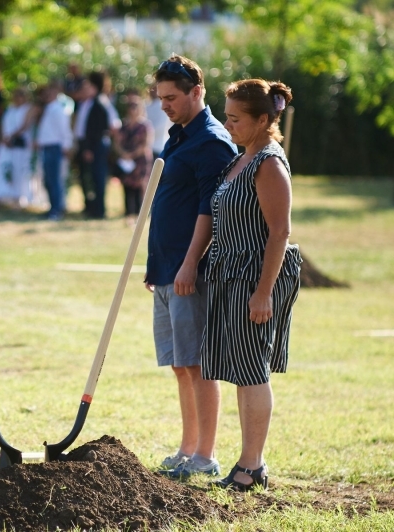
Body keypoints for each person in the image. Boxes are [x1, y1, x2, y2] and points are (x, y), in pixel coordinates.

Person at [204, 79, 300, 491]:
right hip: (230, 273)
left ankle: (252, 466)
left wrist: (263, 293)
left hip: (255, 277)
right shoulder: (241, 158)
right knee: (243, 371)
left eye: (235, 118)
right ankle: (248, 462)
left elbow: (279, 233)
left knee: (253, 370)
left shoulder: (269, 164)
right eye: (226, 116)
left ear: (263, 120)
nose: (227, 124)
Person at [145, 55, 237, 480]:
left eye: (172, 97)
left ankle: (205, 454)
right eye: (160, 97)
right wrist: (157, 265)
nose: (164, 104)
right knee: (180, 364)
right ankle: (187, 448)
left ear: (197, 92)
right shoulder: (178, 135)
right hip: (166, 268)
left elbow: (210, 210)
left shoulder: (212, 142)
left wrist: (188, 265)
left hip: (189, 272)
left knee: (197, 363)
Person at [0, 86, 35, 206]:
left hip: (19, 145)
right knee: (2, 167)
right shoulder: (10, 108)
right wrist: (4, 137)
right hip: (6, 144)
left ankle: (18, 196)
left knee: (19, 169)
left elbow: (26, 125)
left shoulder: (29, 109)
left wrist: (12, 136)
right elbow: (2, 124)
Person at [74, 73, 111, 220]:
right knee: (86, 177)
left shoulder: (99, 104)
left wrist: (89, 148)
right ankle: (90, 207)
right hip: (86, 145)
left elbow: (97, 129)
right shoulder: (85, 104)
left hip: (96, 146)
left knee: (98, 177)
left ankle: (99, 210)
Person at [35, 81, 73, 221]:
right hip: (46, 147)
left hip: (54, 148)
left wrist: (66, 146)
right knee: (48, 179)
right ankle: (52, 207)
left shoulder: (58, 110)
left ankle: (57, 209)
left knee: (55, 179)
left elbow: (65, 130)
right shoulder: (49, 109)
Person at [115, 90, 154, 223]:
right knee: (127, 186)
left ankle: (140, 215)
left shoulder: (145, 126)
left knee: (140, 186)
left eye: (135, 106)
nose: (133, 110)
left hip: (140, 160)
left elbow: (146, 144)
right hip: (126, 162)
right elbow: (117, 143)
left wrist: (132, 154)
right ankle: (128, 214)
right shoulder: (123, 126)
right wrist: (124, 154)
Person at [146, 83, 172, 160]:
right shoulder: (147, 105)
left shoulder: (163, 106)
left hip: (158, 147)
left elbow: (159, 127)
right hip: (149, 149)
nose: (153, 90)